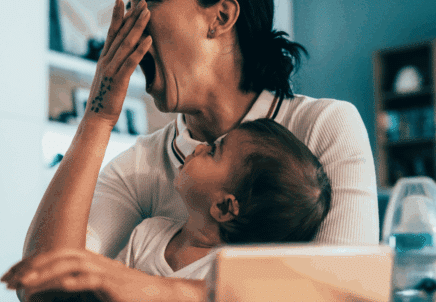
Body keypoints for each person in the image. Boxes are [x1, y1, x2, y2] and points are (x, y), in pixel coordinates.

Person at [2, 0, 378, 302]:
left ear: (221, 17)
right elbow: (41, 286)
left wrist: (156, 293)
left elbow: (347, 299)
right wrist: (97, 118)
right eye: (129, 8)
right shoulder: (140, 165)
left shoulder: (324, 125)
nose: (128, 24)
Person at [118, 118, 332, 280]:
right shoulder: (146, 234)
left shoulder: (229, 278)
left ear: (223, 207)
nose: (199, 147)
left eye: (212, 152)